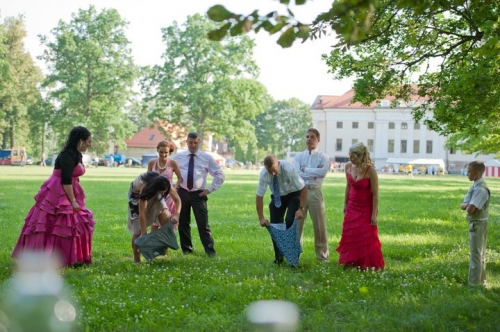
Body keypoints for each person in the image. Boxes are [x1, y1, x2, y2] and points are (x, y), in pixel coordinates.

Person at [12, 126, 96, 267]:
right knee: (55, 222)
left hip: (70, 187)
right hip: (58, 189)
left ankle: (70, 256)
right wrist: (73, 201)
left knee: (72, 223)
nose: (90, 144)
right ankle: (47, 257)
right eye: (88, 141)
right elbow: (66, 180)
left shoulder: (76, 154)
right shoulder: (67, 156)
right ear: (80, 141)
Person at [170, 132, 225, 256]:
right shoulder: (178, 157)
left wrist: (209, 189)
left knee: (203, 223)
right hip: (182, 193)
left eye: (195, 142)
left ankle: (210, 251)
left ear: (199, 142)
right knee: (183, 223)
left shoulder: (207, 158)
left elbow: (220, 174)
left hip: (198, 195)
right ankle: (187, 250)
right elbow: (168, 169)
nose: (193, 145)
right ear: (187, 142)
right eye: (190, 142)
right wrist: (173, 185)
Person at [336, 142, 384, 270]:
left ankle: (366, 263)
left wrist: (374, 214)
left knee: (365, 234)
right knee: (351, 233)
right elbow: (348, 186)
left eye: (353, 157)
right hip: (352, 205)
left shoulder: (370, 170)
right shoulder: (348, 166)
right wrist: (345, 203)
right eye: (350, 156)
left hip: (366, 207)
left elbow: (375, 194)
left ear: (361, 156)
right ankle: (351, 261)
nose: (351, 159)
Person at [256, 155, 307, 265]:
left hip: (293, 194)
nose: (272, 174)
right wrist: (261, 218)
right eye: (270, 172)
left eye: (274, 171)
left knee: (289, 220)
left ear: (278, 164)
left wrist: (301, 209)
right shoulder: (264, 174)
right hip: (277, 196)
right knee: (275, 225)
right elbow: (259, 196)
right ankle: (279, 258)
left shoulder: (288, 168)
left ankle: (293, 258)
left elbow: (303, 188)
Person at [128, 172, 181, 263]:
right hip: (136, 197)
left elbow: (177, 200)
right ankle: (137, 261)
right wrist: (143, 232)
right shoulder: (144, 187)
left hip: (155, 192)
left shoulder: (165, 184)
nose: (164, 193)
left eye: (165, 191)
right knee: (138, 232)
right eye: (162, 191)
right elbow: (142, 212)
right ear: (156, 188)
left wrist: (177, 215)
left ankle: (163, 251)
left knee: (166, 215)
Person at [293, 128, 329, 262]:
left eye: (312, 137)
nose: (309, 139)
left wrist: (305, 170)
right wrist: (313, 172)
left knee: (319, 225)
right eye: (307, 136)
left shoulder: (323, 157)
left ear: (318, 140)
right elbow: (297, 173)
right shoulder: (299, 156)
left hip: (315, 191)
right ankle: (295, 255)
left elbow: (323, 173)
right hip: (300, 191)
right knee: (297, 225)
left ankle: (322, 257)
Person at [460, 161, 490, 287]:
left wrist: (469, 206)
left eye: (469, 172)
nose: (467, 174)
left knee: (476, 254)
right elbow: (463, 205)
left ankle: (475, 283)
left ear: (476, 173)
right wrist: (469, 205)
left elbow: (470, 209)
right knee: (478, 253)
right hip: (475, 222)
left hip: (478, 223)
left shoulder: (481, 189)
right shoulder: (474, 187)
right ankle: (481, 281)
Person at [147, 140, 183, 227]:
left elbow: (180, 178)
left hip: (169, 194)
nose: (163, 154)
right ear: (157, 150)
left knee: (166, 223)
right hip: (155, 194)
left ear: (169, 152)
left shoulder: (173, 163)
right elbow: (147, 178)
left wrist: (175, 187)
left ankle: (166, 239)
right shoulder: (152, 162)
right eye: (161, 152)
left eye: (166, 152)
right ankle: (154, 239)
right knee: (154, 223)